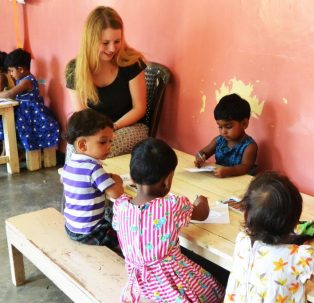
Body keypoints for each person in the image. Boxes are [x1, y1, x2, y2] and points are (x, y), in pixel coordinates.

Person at [112, 138, 225, 303]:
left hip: (139, 286)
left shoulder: (120, 206)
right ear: (166, 182)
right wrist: (202, 200)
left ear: (132, 178)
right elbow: (202, 214)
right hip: (171, 284)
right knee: (213, 289)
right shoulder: (172, 206)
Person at [224, 172, 314, 303]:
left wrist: (306, 255)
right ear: (295, 222)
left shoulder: (242, 240)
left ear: (246, 215)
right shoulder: (300, 258)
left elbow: (273, 259)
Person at [65, 6, 148, 159]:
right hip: (93, 130)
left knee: (100, 146)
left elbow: (139, 108)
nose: (112, 48)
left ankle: (100, 181)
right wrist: (96, 134)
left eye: (117, 41)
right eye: (105, 43)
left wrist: (112, 128)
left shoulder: (131, 62)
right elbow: (82, 115)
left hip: (129, 126)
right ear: (90, 40)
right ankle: (75, 182)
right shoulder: (74, 69)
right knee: (77, 146)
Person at [61, 108, 124, 251]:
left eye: (110, 141)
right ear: (82, 145)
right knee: (125, 235)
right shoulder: (93, 168)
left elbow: (63, 180)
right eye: (103, 142)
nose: (109, 146)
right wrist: (117, 180)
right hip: (91, 232)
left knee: (108, 214)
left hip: (71, 227)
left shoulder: (69, 164)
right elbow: (117, 194)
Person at [0, 48, 59, 152]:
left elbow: (10, 93)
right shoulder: (21, 80)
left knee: (21, 130)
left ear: (21, 69)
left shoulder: (26, 81)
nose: (11, 74)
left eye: (12, 71)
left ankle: (19, 152)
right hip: (24, 112)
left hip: (31, 113)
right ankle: (11, 151)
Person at [194, 93, 258, 178]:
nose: (223, 131)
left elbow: (245, 167)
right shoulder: (219, 140)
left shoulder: (249, 146)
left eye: (228, 127)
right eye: (220, 127)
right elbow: (203, 152)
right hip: (220, 180)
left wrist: (228, 171)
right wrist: (200, 158)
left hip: (239, 184)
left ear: (244, 124)